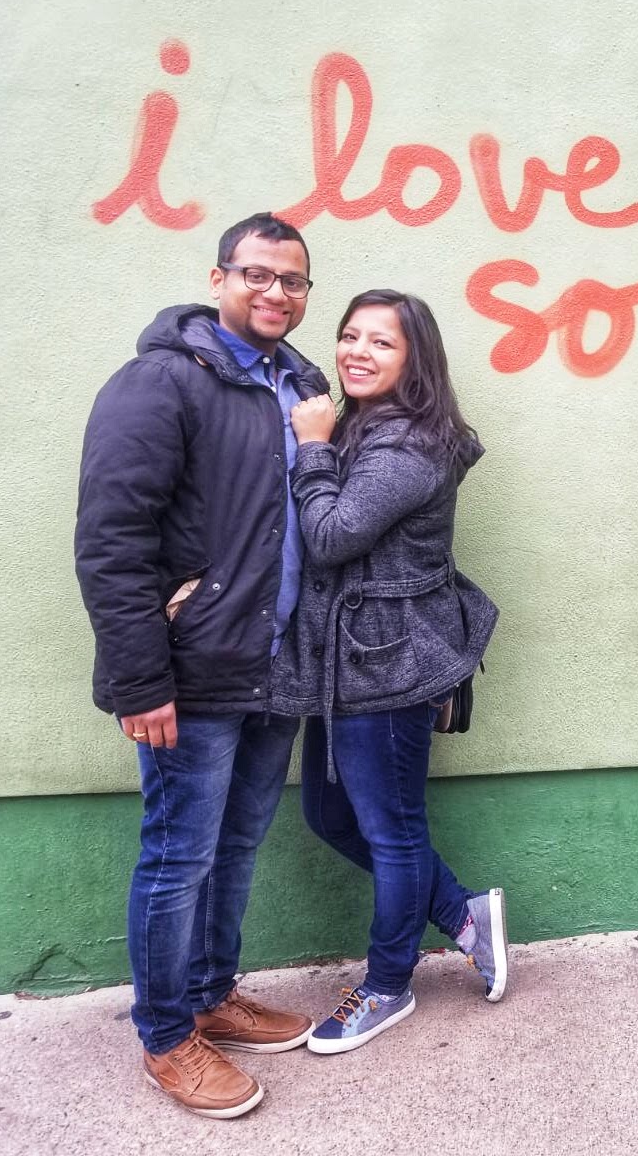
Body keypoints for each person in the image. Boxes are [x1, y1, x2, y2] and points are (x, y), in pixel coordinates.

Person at [74, 213, 329, 1118]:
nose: (275, 292)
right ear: (218, 278)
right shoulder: (162, 381)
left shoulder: (302, 386)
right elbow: (112, 540)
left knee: (237, 844)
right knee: (178, 856)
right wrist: (140, 680)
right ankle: (165, 1034)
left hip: (277, 665)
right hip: (193, 670)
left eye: (292, 280)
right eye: (257, 274)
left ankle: (212, 994)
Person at [270, 288, 505, 1055]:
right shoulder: (366, 427)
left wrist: (311, 447)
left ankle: (388, 985)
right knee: (329, 816)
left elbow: (333, 536)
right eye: (350, 336)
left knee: (393, 831)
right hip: (346, 664)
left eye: (381, 342)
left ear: (415, 359)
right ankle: (465, 914)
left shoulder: (408, 445)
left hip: (389, 662)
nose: (357, 352)